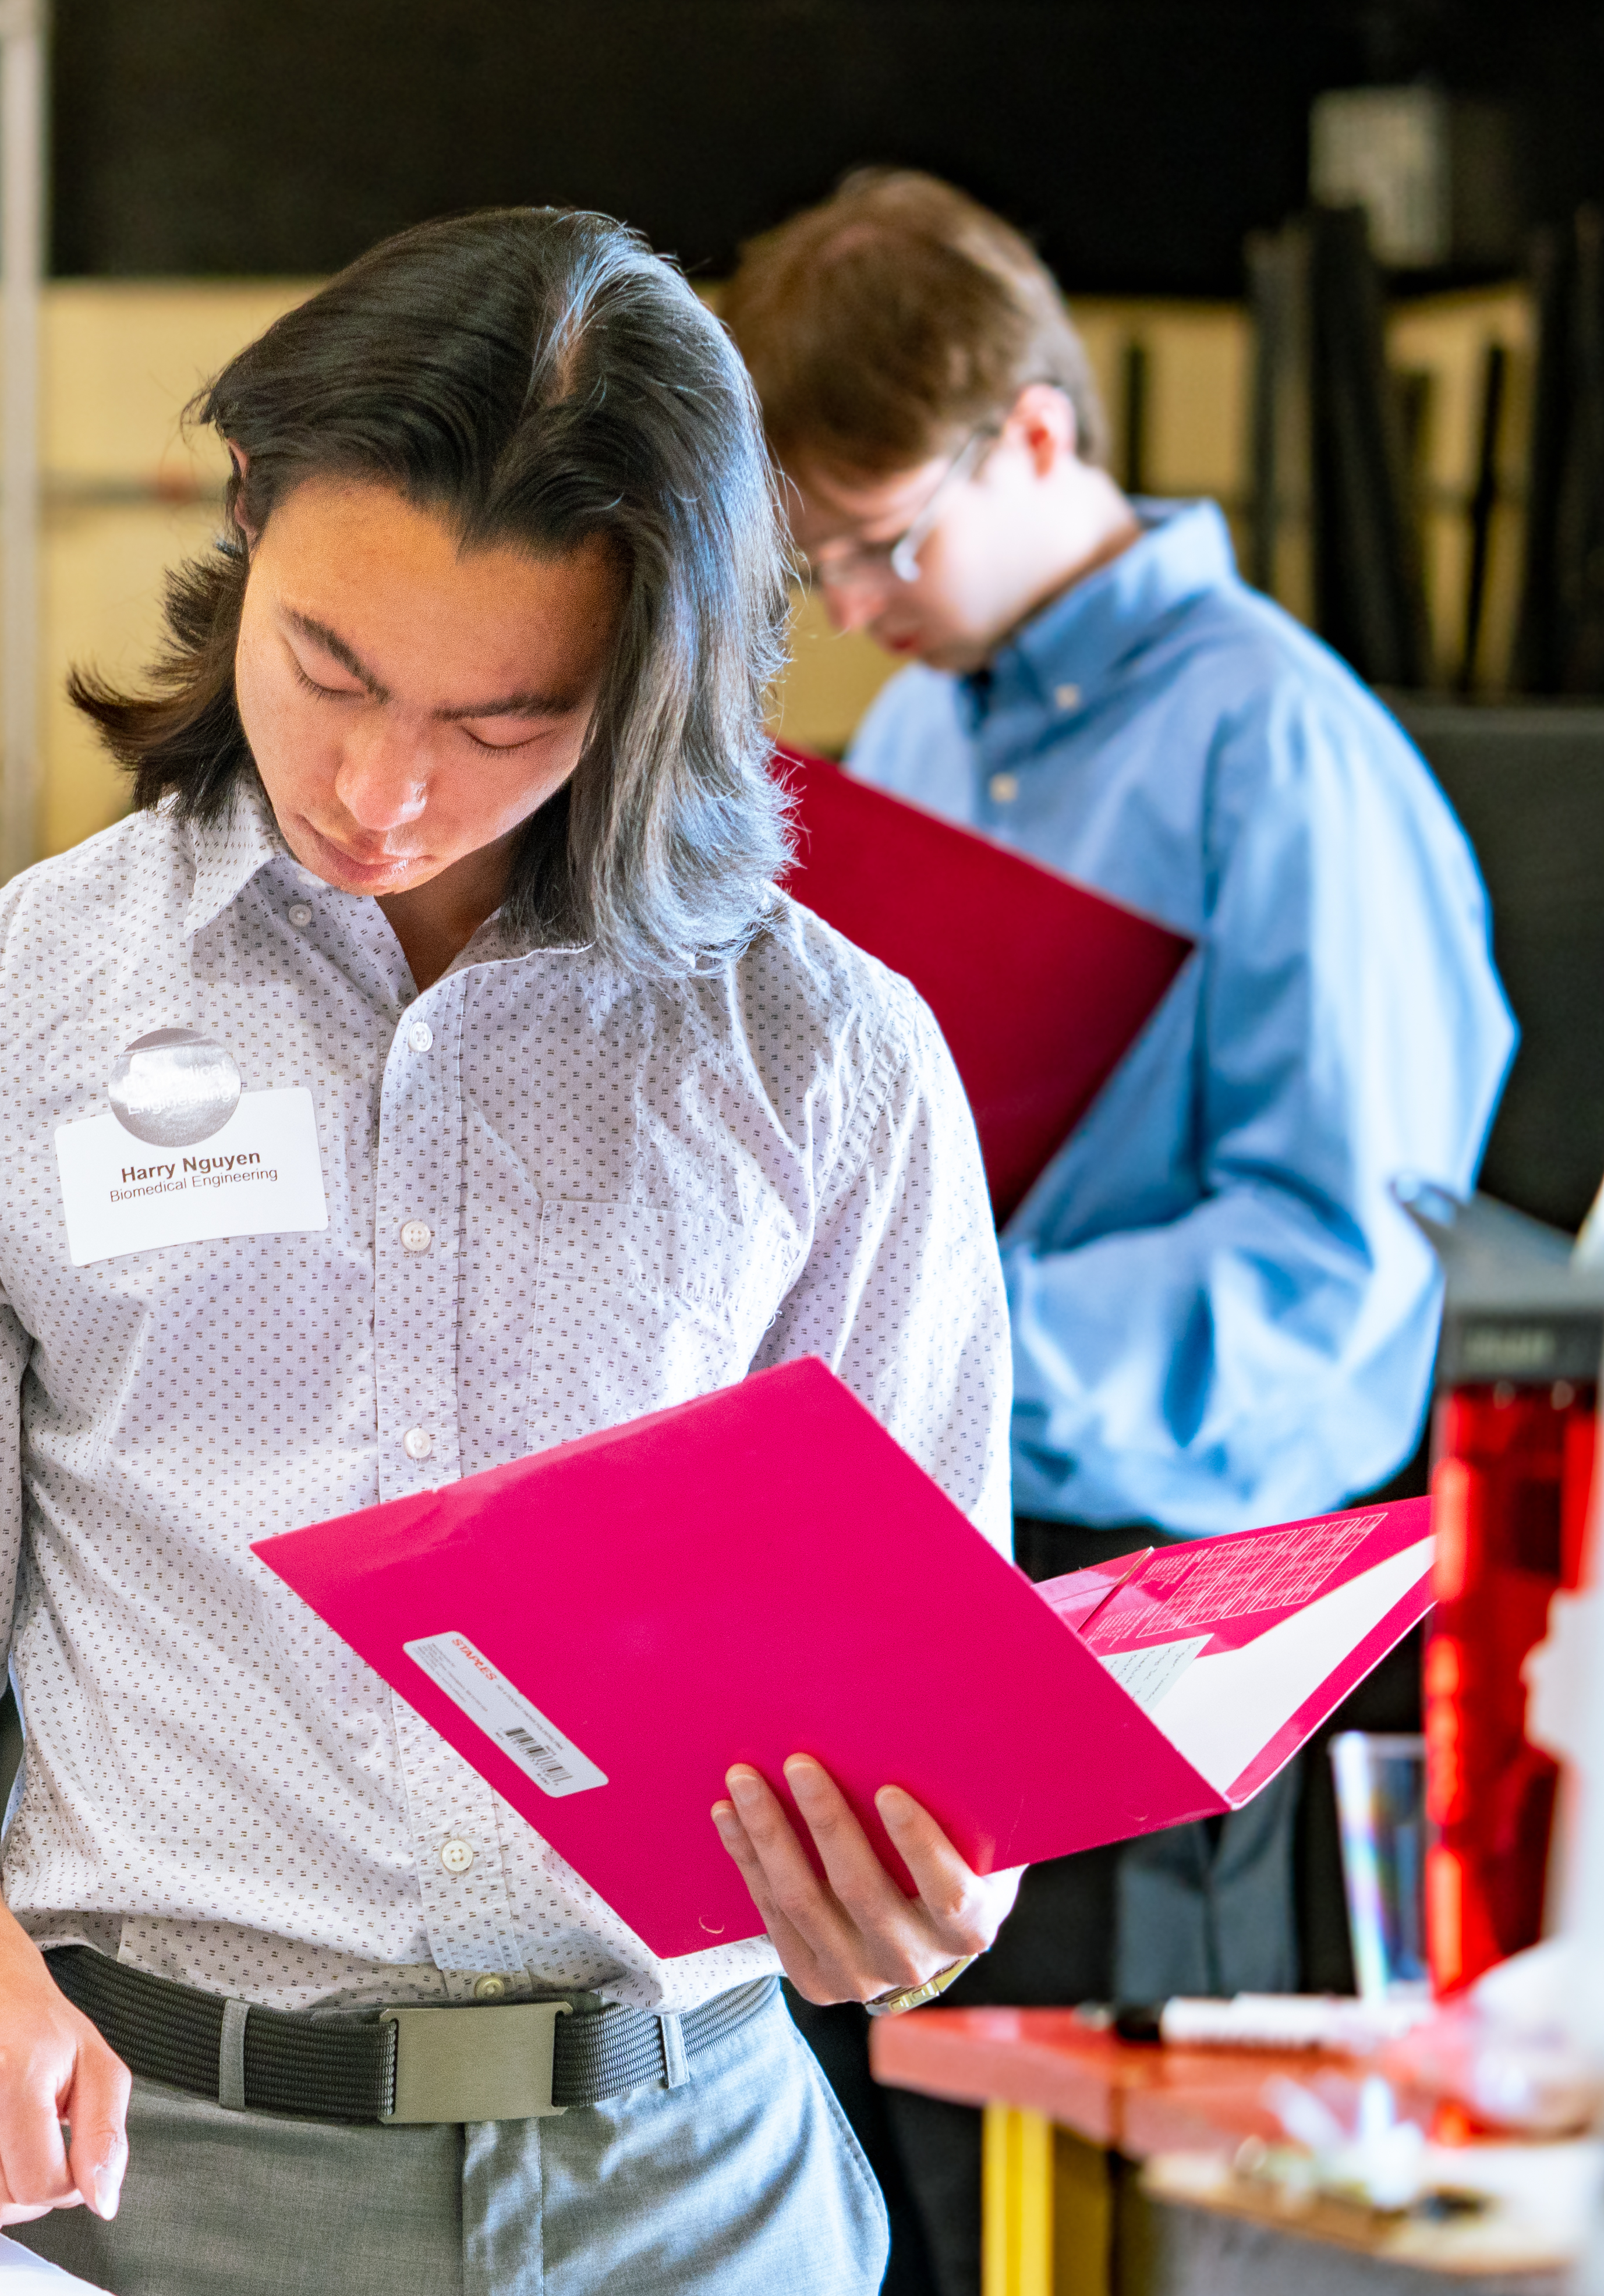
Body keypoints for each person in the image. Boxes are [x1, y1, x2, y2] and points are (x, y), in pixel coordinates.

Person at [0, 208, 1018, 2296]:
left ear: (652, 681)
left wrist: (933, 1882)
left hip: (689, 2175)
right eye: (327, 661)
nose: (378, 783)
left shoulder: (826, 1056)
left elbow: (922, 1695)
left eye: (505, 717)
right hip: (167, 2168)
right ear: (244, 513)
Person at [724, 171, 1511, 2293]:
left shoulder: (1284, 755)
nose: (860, 605)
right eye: (816, 565)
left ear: (1042, 439)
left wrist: (938, 1346)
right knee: (913, 2212)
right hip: (921, 1574)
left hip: (1160, 1647)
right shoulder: (933, 724)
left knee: (1110, 2243)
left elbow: (1332, 1276)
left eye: (882, 543)